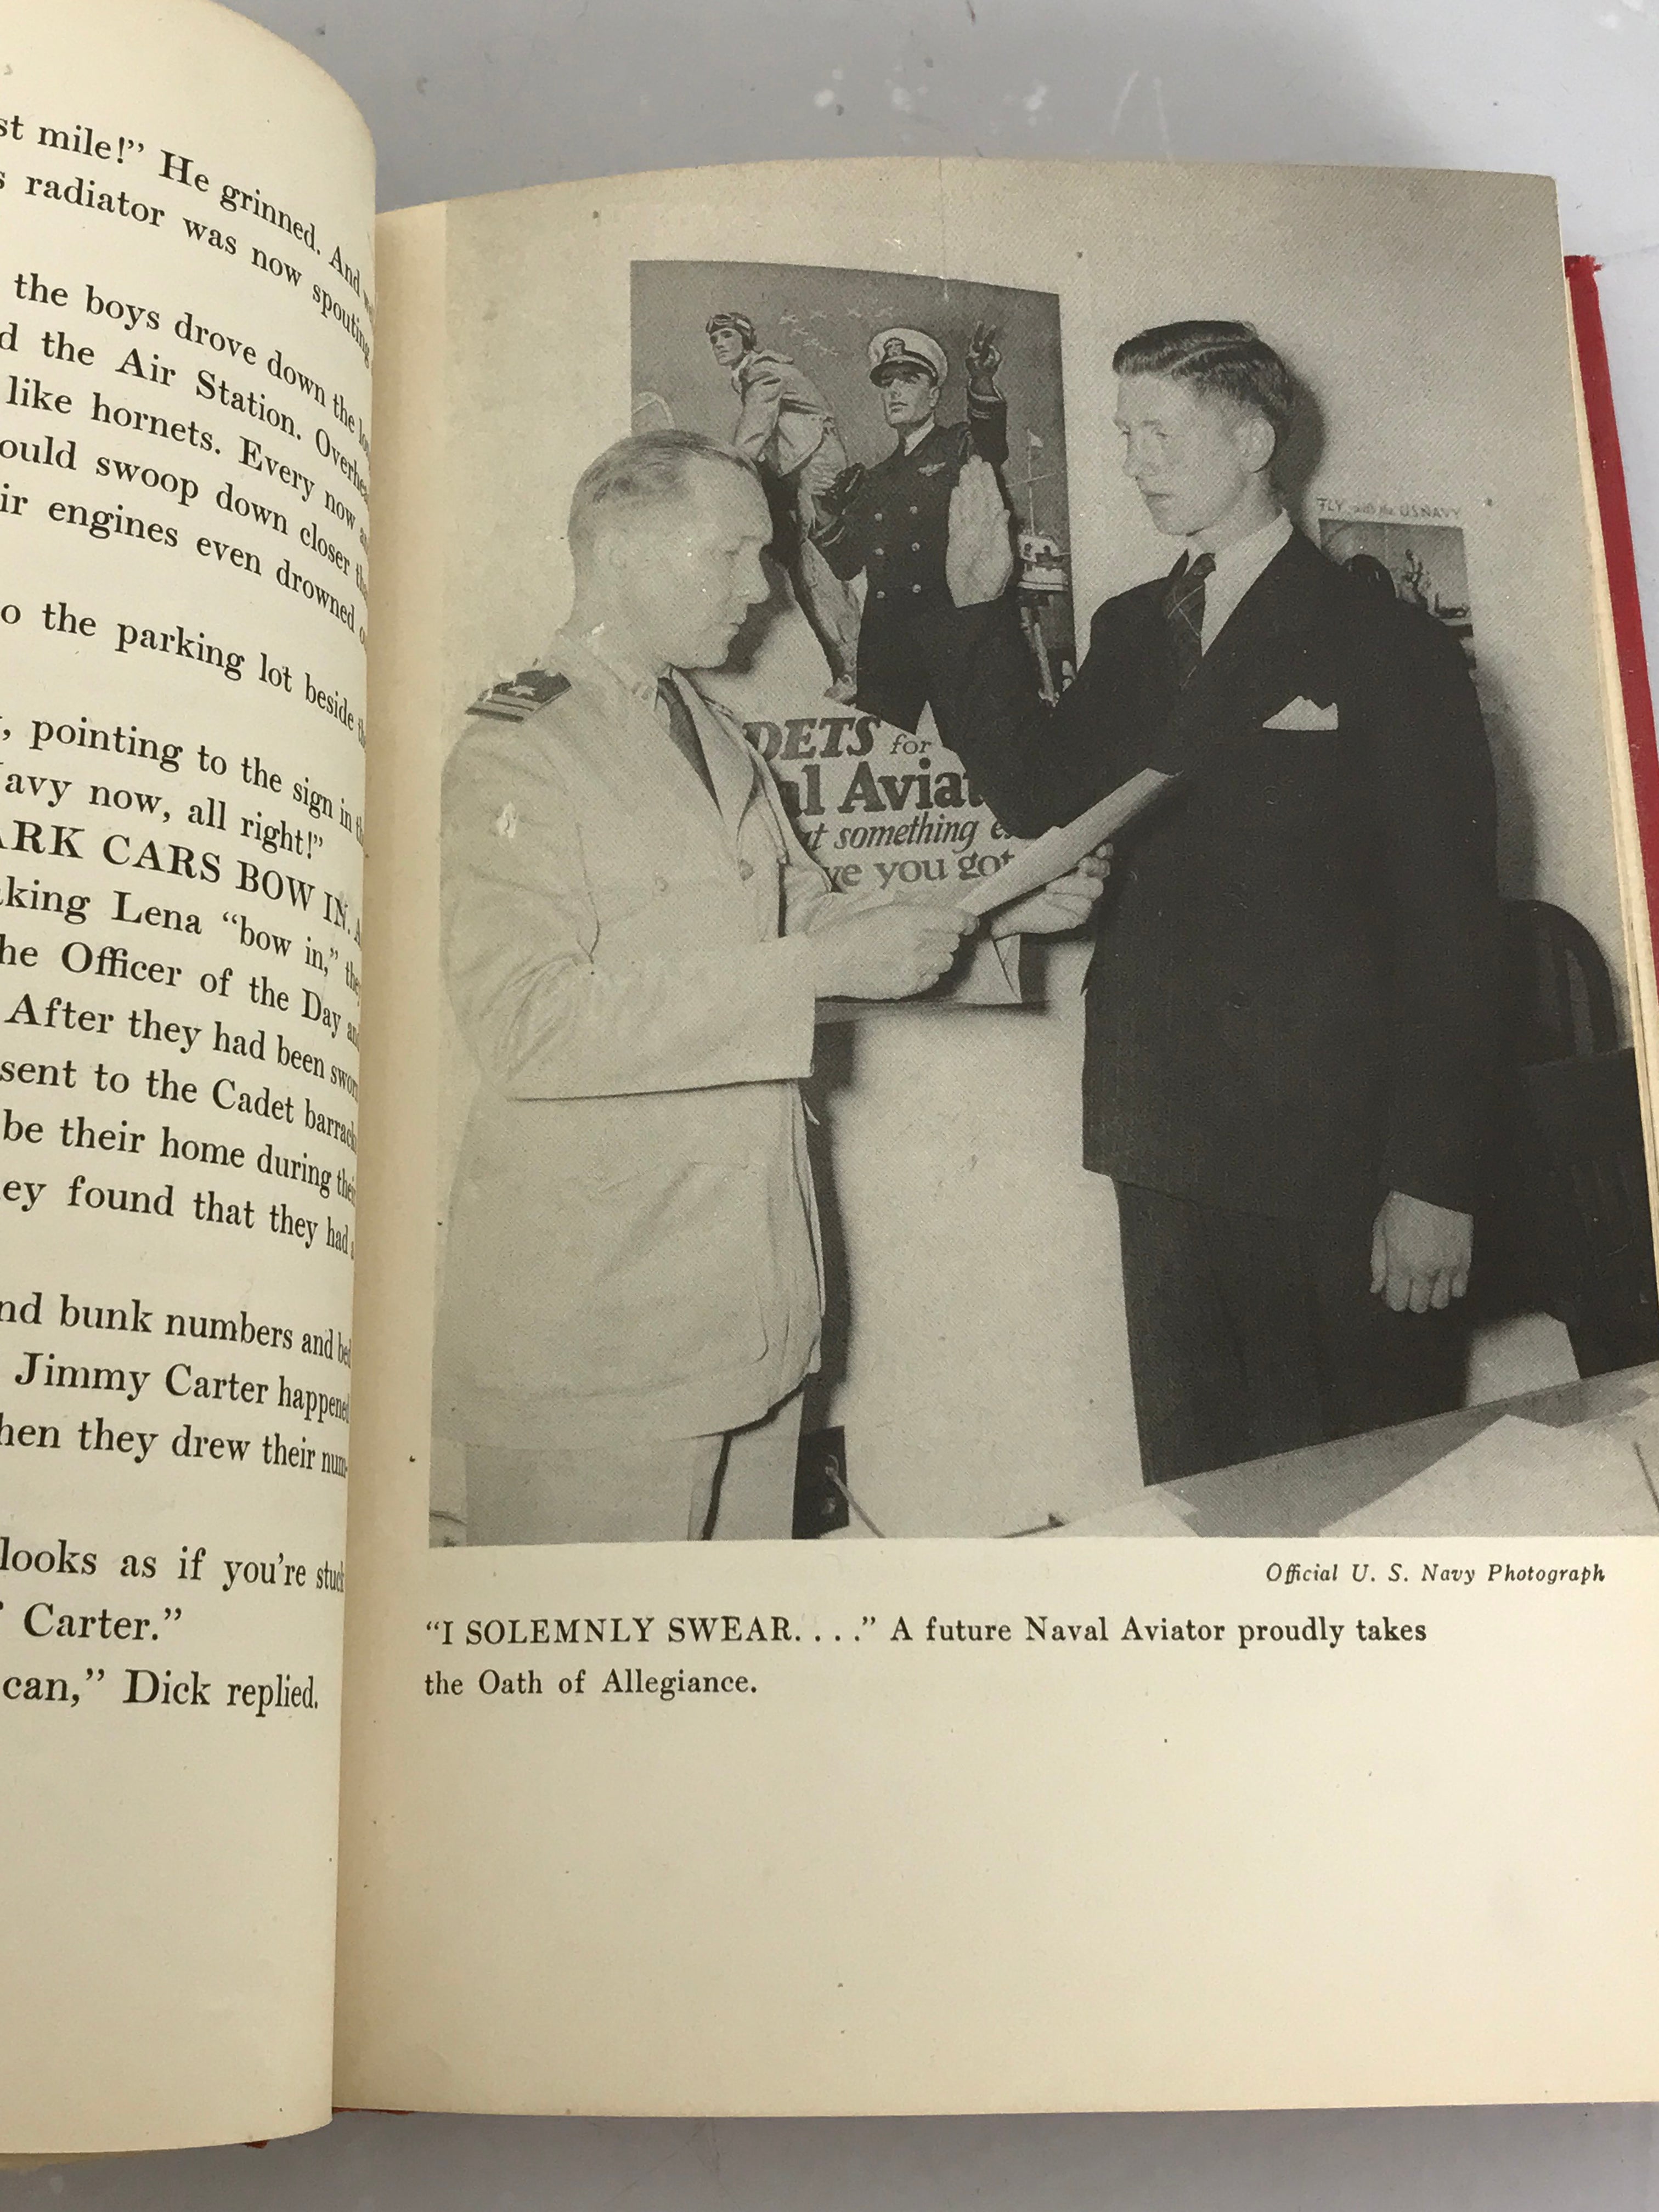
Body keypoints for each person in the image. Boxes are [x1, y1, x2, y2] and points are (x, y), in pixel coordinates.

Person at [432, 430, 1106, 1543]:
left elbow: (798, 912)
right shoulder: (521, 747)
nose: (762, 590)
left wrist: (993, 908)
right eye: (732, 554)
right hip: (602, 1327)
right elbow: (525, 1026)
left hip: (748, 1299)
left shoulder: (708, 730)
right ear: (619, 552)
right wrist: (816, 967)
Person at [919, 321, 1504, 1484]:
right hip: (1163, 1128)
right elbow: (1044, 793)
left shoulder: (1385, 642)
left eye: (1160, 432)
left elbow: (1457, 933)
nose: (1134, 460)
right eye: (1125, 433)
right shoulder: (1133, 627)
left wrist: (1435, 1179)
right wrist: (977, 614)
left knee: (1356, 1489)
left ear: (1251, 438)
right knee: (1199, 1480)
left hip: (1332, 1149)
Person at [811, 323, 1010, 733]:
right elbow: (848, 564)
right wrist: (825, 512)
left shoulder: (958, 446)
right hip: (886, 638)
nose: (895, 391)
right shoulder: (873, 479)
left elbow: (990, 442)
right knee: (881, 755)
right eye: (887, 383)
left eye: (909, 379)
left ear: (934, 395)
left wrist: (982, 378)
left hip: (949, 628)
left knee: (971, 750)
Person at [706, 311, 862, 701]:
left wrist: (731, 469)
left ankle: (856, 672)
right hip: (799, 472)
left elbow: (755, 427)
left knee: (817, 572)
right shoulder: (751, 374)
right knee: (802, 568)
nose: (720, 344)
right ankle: (850, 669)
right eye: (715, 340)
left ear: (746, 339)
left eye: (727, 336)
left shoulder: (764, 373)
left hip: (815, 469)